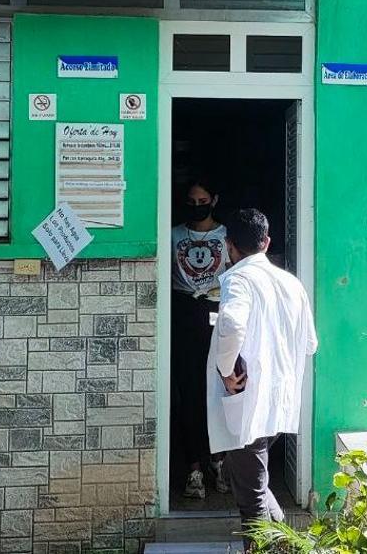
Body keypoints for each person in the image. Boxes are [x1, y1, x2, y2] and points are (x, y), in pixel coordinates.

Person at [207, 208, 318, 534]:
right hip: (278, 401)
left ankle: (274, 545)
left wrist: (226, 370)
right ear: (266, 242)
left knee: (251, 497)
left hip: (248, 402)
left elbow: (230, 323)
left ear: (229, 245)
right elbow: (310, 343)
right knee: (253, 480)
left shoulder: (239, 280)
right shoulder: (291, 283)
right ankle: (288, 542)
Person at [170, 179, 232, 499]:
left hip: (217, 316)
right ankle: (194, 468)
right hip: (183, 315)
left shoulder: (227, 237)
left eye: (203, 200)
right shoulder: (174, 235)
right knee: (189, 394)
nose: (198, 206)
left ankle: (218, 462)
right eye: (192, 201)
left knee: (219, 393)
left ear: (215, 199)